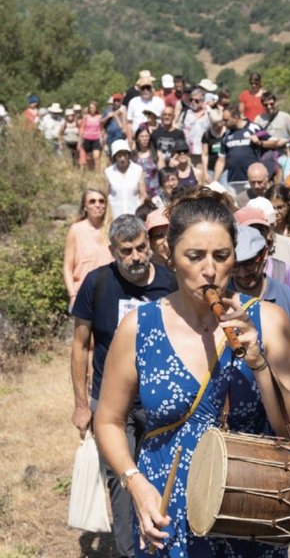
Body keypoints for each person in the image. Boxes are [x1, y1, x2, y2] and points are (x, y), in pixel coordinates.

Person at [94, 189, 290, 557]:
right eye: (194, 256)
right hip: (163, 510)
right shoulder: (139, 327)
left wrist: (258, 362)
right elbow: (108, 421)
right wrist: (135, 484)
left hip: (247, 513)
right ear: (170, 257)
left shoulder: (269, 321)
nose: (209, 269)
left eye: (222, 256)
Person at [71, 215, 177, 558]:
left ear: (149, 243)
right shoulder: (97, 282)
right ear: (112, 251)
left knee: (165, 472)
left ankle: (167, 543)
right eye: (126, 251)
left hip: (159, 399)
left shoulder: (170, 283)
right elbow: (81, 344)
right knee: (121, 479)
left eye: (141, 248)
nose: (136, 257)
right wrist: (81, 404)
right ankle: (130, 551)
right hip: (111, 401)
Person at [230, 224, 290, 393]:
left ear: (264, 255)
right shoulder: (221, 300)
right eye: (235, 265)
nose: (242, 273)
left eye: (248, 264)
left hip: (285, 397)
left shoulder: (289, 298)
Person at [62, 187, 112, 309]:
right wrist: (73, 295)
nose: (97, 205)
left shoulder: (112, 229)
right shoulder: (76, 230)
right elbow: (67, 267)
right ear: (84, 207)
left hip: (110, 292)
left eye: (101, 201)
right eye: (92, 201)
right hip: (83, 294)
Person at [105, 139, 147, 217]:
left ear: (129, 155)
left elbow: (143, 194)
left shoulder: (137, 170)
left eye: (125, 155)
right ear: (115, 157)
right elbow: (105, 195)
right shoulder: (109, 172)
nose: (122, 159)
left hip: (134, 215)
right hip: (115, 215)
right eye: (119, 155)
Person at [79, 100, 104, 170]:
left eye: (93, 107)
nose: (92, 109)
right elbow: (82, 128)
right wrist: (80, 139)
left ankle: (97, 173)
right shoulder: (85, 117)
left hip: (96, 138)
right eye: (90, 108)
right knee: (89, 158)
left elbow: (101, 128)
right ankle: (91, 171)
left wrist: (102, 138)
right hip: (87, 138)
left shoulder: (99, 117)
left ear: (96, 108)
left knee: (96, 156)